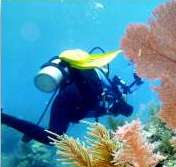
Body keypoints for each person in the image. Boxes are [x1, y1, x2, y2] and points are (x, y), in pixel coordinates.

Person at [1, 48, 143, 146]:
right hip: (75, 100)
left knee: (52, 136)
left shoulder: (96, 81)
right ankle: (6, 119)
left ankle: (9, 120)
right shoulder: (102, 83)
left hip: (65, 101)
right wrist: (120, 106)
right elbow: (125, 109)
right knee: (53, 137)